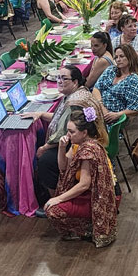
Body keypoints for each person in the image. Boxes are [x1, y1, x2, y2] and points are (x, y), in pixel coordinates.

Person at [44, 108, 118, 248]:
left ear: (84, 133)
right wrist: (61, 147)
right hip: (87, 193)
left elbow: (84, 184)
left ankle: (85, 229)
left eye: (72, 131)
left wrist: (58, 198)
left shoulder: (88, 150)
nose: (68, 135)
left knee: (52, 210)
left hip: (94, 197)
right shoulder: (79, 144)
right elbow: (63, 167)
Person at [32, 66, 107, 198]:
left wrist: (44, 148)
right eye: (58, 78)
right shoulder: (81, 92)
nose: (59, 81)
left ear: (75, 82)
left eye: (64, 78)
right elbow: (61, 119)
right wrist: (41, 114)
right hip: (87, 137)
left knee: (45, 161)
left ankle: (55, 198)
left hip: (85, 143)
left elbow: (64, 132)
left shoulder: (74, 102)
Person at [93, 44, 138, 123]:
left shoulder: (134, 81)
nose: (118, 60)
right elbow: (96, 88)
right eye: (116, 57)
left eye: (121, 56)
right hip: (98, 108)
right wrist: (101, 106)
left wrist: (117, 114)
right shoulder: (111, 70)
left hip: (113, 118)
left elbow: (136, 109)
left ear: (130, 57)